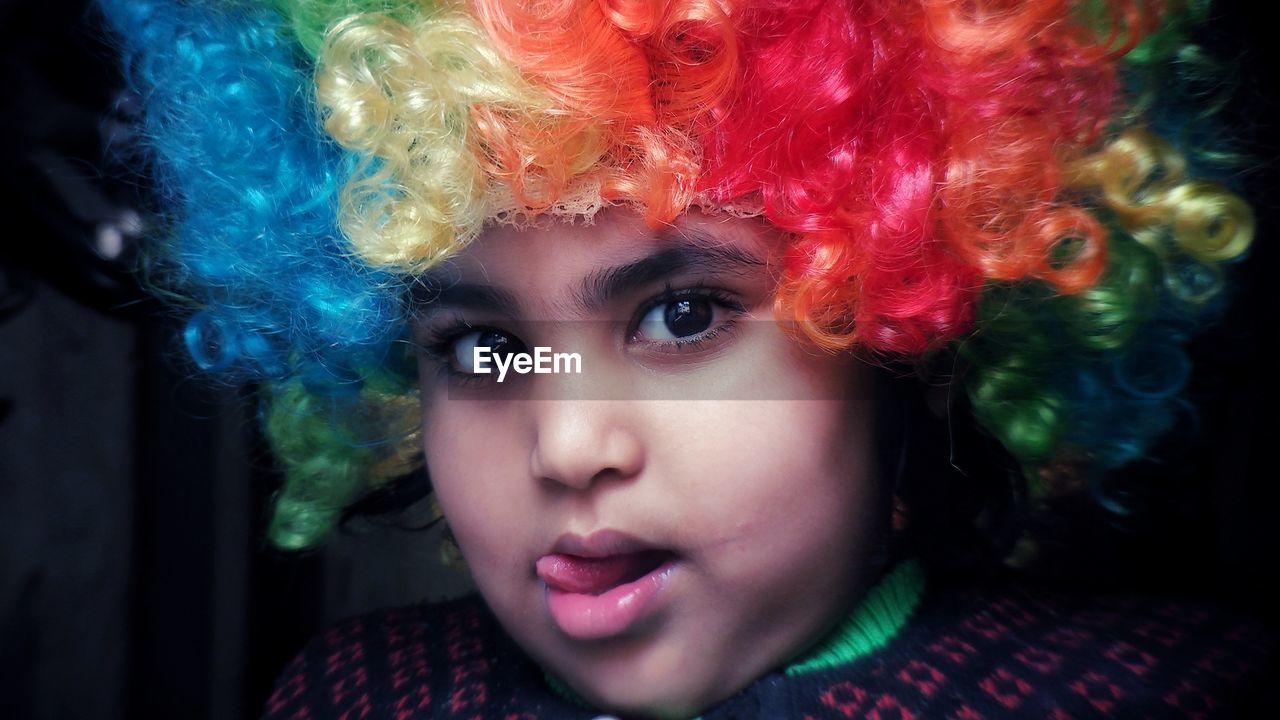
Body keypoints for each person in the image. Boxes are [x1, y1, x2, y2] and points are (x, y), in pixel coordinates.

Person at [98, 0, 1271, 717]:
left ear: (896, 327)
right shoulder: (358, 699)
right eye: (486, 347)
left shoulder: (1151, 694)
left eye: (683, 317)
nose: (567, 442)